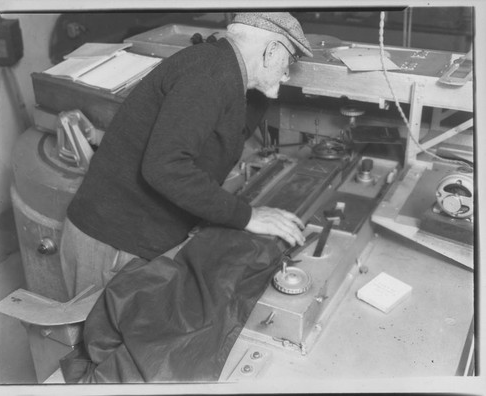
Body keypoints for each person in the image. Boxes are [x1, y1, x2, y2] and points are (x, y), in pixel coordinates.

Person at [60, 12, 314, 299]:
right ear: (271, 50)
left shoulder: (223, 68)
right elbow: (165, 167)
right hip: (110, 242)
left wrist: (263, 85)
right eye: (289, 61)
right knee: (95, 340)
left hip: (133, 235)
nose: (287, 73)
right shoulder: (208, 74)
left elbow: (228, 132)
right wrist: (247, 216)